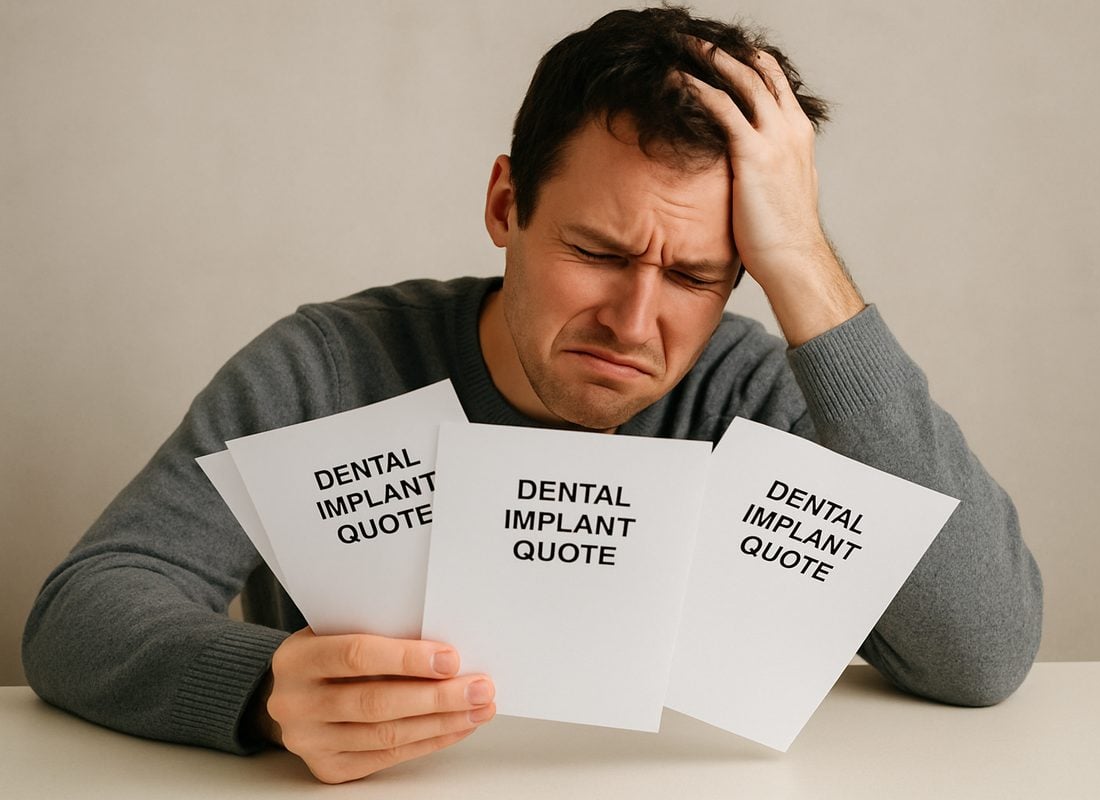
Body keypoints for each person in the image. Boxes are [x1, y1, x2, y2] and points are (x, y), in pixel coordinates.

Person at [22, 5, 1042, 785]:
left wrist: (807, 269)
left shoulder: (750, 392)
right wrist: (264, 689)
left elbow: (983, 649)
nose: (635, 322)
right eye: (597, 251)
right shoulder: (329, 366)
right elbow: (80, 610)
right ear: (506, 203)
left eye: (696, 276)